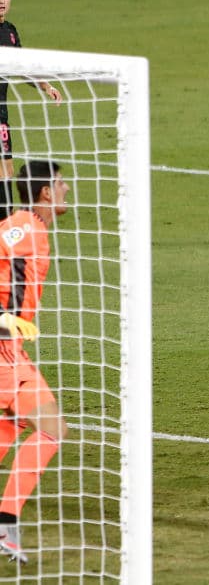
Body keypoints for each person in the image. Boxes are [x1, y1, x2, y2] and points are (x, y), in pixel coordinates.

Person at [0, 161, 70, 564]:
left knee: (9, 427)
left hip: (12, 347)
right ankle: (5, 523)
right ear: (45, 191)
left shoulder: (34, 229)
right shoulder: (24, 225)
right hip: (4, 349)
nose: (66, 189)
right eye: (60, 183)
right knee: (52, 428)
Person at [0, 0, 63, 207]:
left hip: (1, 114)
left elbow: (22, 69)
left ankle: (3, 228)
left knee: (6, 168)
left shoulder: (10, 32)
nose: (1, 1)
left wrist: (46, 87)